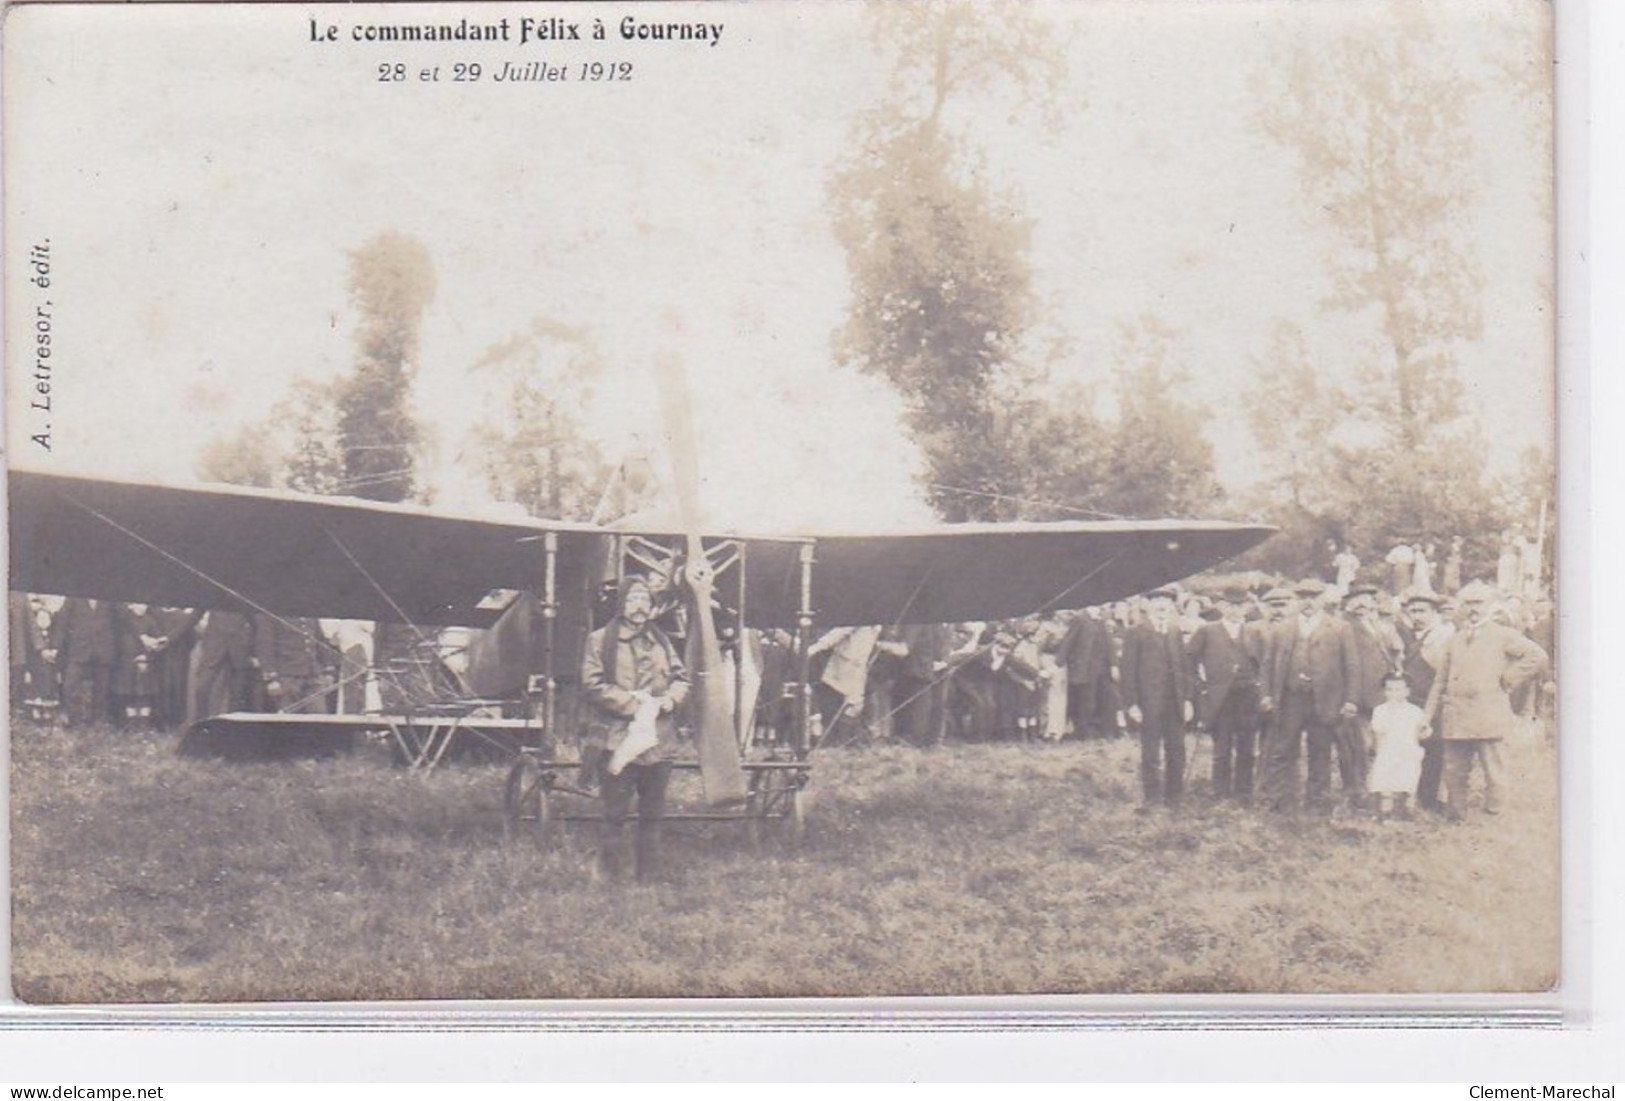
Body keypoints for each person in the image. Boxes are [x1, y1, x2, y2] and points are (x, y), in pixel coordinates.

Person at [580, 576, 690, 881]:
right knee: (614, 812)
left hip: (660, 742)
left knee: (653, 814)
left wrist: (670, 700)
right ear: (621, 605)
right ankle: (609, 875)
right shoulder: (600, 640)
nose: (639, 606)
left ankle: (649, 878)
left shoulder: (662, 641)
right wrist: (635, 706)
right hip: (618, 739)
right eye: (632, 599)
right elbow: (592, 684)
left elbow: (682, 678)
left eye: (644, 599)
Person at [1423, 581, 1548, 820]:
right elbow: (1440, 681)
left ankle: (1495, 814)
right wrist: (1427, 716)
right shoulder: (1454, 639)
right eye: (1468, 603)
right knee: (1454, 769)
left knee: (1494, 769)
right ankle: (1456, 814)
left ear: (1491, 606)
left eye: (1478, 603)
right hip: (1456, 716)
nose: (1472, 609)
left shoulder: (1503, 635)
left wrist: (1509, 677)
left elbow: (1537, 656)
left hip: (1488, 714)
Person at [1259, 579, 1359, 816]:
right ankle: (1277, 801)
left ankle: (1316, 802)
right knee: (1282, 750)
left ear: (1322, 599)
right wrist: (1266, 695)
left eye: (1313, 597)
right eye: (1303, 596)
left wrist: (1351, 699)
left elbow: (1352, 666)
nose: (1308, 602)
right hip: (1290, 699)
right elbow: (1267, 665)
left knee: (1320, 751)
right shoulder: (1283, 628)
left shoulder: (1339, 628)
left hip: (1324, 700)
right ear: (1296, 600)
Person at [1186, 587, 1265, 802]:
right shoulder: (1207, 631)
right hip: (1220, 698)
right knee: (1222, 747)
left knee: (1247, 747)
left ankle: (1244, 792)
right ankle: (1220, 792)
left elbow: (1263, 663)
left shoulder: (1253, 632)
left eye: (1240, 605)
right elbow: (1189, 660)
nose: (1235, 610)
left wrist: (1258, 686)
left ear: (1247, 607)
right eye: (1230, 605)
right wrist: (1201, 687)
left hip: (1247, 696)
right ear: (1222, 606)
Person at [1119, 588, 1193, 812]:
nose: (1162, 605)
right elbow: (1127, 671)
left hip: (1175, 702)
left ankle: (1174, 798)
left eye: (1167, 601)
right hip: (1148, 703)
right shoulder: (1136, 632)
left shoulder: (1174, 630)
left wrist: (1188, 700)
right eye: (1157, 600)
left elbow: (1184, 669)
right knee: (1150, 752)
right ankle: (1151, 798)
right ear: (1147, 604)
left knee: (1177, 750)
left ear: (1172, 605)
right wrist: (1131, 703)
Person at [1396, 589, 1455, 812]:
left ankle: (1429, 798)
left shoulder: (1440, 637)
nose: (1417, 616)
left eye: (1422, 611)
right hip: (1412, 701)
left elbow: (1444, 673)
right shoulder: (1412, 636)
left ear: (1434, 612)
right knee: (1411, 750)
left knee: (1433, 750)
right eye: (1413, 611)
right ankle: (1412, 794)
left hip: (1433, 702)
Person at [1368, 672, 1427, 822]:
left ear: (1407, 691)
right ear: (1384, 692)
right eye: (1389, 690)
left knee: (1408, 782)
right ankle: (1386, 813)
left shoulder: (1415, 711)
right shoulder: (1380, 710)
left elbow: (1422, 733)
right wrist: (1379, 753)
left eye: (1398, 689)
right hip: (1388, 751)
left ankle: (1408, 811)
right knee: (1386, 783)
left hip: (1408, 751)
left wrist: (1423, 730)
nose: (1394, 694)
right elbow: (1378, 733)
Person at [52, 597, 118, 727]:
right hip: (78, 650)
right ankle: (75, 720)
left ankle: (98, 720)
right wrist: (55, 647)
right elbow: (62, 622)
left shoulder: (110, 598)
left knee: (102, 688)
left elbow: (121, 621)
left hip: (103, 650)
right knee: (70, 686)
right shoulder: (73, 597)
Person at [1059, 606, 1113, 740]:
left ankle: (1104, 731)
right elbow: (1069, 640)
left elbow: (1109, 644)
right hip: (1086, 668)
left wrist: (1114, 664)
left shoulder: (1101, 621)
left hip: (1102, 667)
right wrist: (1059, 661)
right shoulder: (1080, 619)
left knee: (1104, 699)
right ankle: (1084, 732)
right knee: (1087, 701)